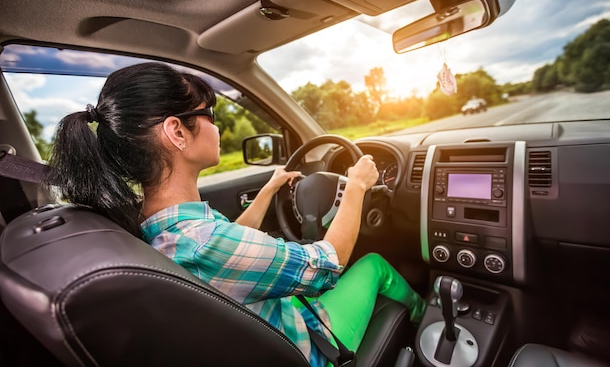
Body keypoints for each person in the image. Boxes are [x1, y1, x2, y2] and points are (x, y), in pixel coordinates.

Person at [47, 62, 425, 367]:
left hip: (268, 322)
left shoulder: (160, 226)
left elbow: (232, 247)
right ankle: (430, 316)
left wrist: (269, 189)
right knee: (374, 264)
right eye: (208, 113)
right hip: (309, 348)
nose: (218, 124)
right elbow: (328, 263)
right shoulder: (201, 242)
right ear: (177, 131)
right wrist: (357, 186)